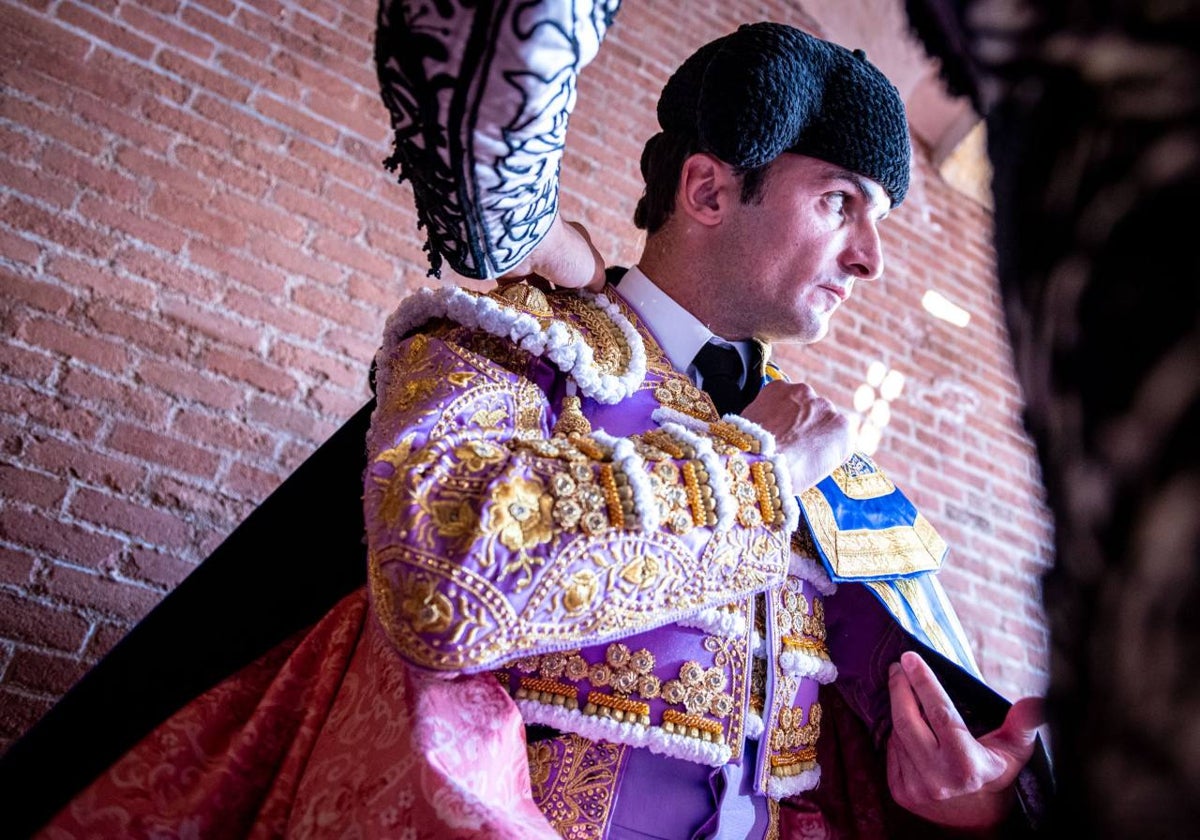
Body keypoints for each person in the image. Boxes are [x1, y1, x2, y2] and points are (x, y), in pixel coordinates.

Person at [26, 6, 1052, 839]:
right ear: (708, 188)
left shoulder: (820, 446)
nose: (871, 256)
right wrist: (757, 472)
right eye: (840, 202)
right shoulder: (516, 341)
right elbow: (450, 584)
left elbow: (868, 747)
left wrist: (971, 802)